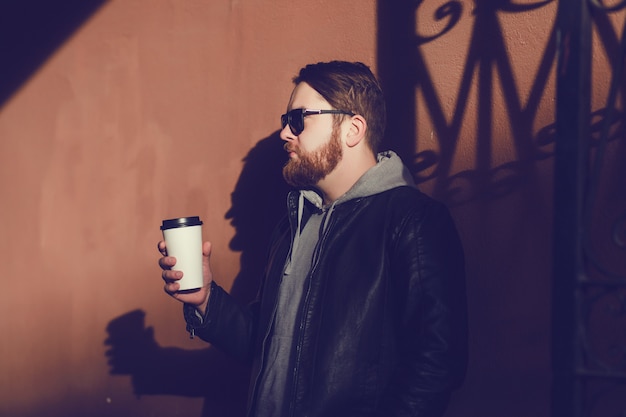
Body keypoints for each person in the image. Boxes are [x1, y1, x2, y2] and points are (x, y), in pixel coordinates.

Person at [158, 60, 468, 417]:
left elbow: (437, 364)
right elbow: (264, 345)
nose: (285, 134)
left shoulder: (411, 219)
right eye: (285, 122)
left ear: (353, 129)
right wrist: (205, 300)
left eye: (298, 120)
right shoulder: (294, 225)